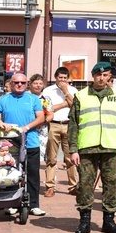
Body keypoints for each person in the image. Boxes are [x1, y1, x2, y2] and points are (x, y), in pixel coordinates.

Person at [68, 62, 116, 233]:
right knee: (85, 184)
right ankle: (84, 222)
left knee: (111, 184)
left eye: (105, 75)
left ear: (110, 77)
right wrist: (73, 150)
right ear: (93, 76)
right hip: (87, 147)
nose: (101, 78)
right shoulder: (81, 96)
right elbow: (73, 124)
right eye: (98, 75)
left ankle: (109, 221)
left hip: (110, 147)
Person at [0, 72, 46, 217]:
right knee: (9, 172)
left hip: (30, 142)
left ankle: (33, 205)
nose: (19, 85)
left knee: (32, 174)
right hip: (9, 144)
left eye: (23, 83)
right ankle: (11, 202)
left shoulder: (33, 99)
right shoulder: (3, 99)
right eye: (16, 82)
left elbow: (41, 117)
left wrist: (26, 127)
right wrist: (1, 123)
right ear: (11, 84)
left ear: (27, 84)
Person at [43, 67, 79, 198]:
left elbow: (75, 106)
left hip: (69, 125)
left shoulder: (73, 90)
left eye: (65, 78)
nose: (62, 80)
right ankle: (50, 186)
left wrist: (65, 92)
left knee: (71, 157)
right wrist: (65, 104)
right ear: (55, 77)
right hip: (54, 124)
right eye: (60, 78)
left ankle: (73, 186)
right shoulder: (48, 90)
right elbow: (47, 107)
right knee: (51, 157)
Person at [28, 74, 53, 163]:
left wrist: (42, 121)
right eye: (35, 83)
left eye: (40, 83)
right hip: (28, 128)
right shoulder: (25, 97)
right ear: (30, 84)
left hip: (42, 130)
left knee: (38, 156)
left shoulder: (46, 98)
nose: (38, 85)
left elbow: (50, 114)